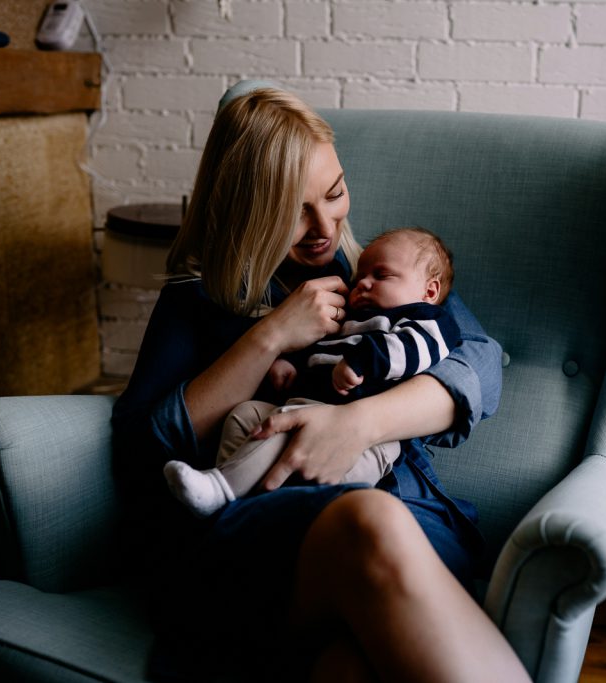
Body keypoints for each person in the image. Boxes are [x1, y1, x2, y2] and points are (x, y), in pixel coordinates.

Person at [110, 81, 531, 682]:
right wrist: (270, 337)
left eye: (334, 194)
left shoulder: (377, 274)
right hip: (266, 524)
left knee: (349, 666)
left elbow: (478, 366)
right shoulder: (198, 298)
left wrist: (356, 424)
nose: (323, 227)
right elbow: (142, 448)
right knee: (367, 522)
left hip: (407, 511)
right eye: (293, 210)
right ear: (248, 211)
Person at [162, 227, 461, 519]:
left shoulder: (424, 319)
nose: (363, 284)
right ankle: (234, 502)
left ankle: (220, 488)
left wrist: (360, 362)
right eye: (360, 277)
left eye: (381, 276)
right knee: (244, 415)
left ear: (429, 290)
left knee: (282, 435)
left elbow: (412, 349)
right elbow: (315, 346)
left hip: (366, 445)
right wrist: (286, 363)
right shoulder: (349, 317)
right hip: (306, 406)